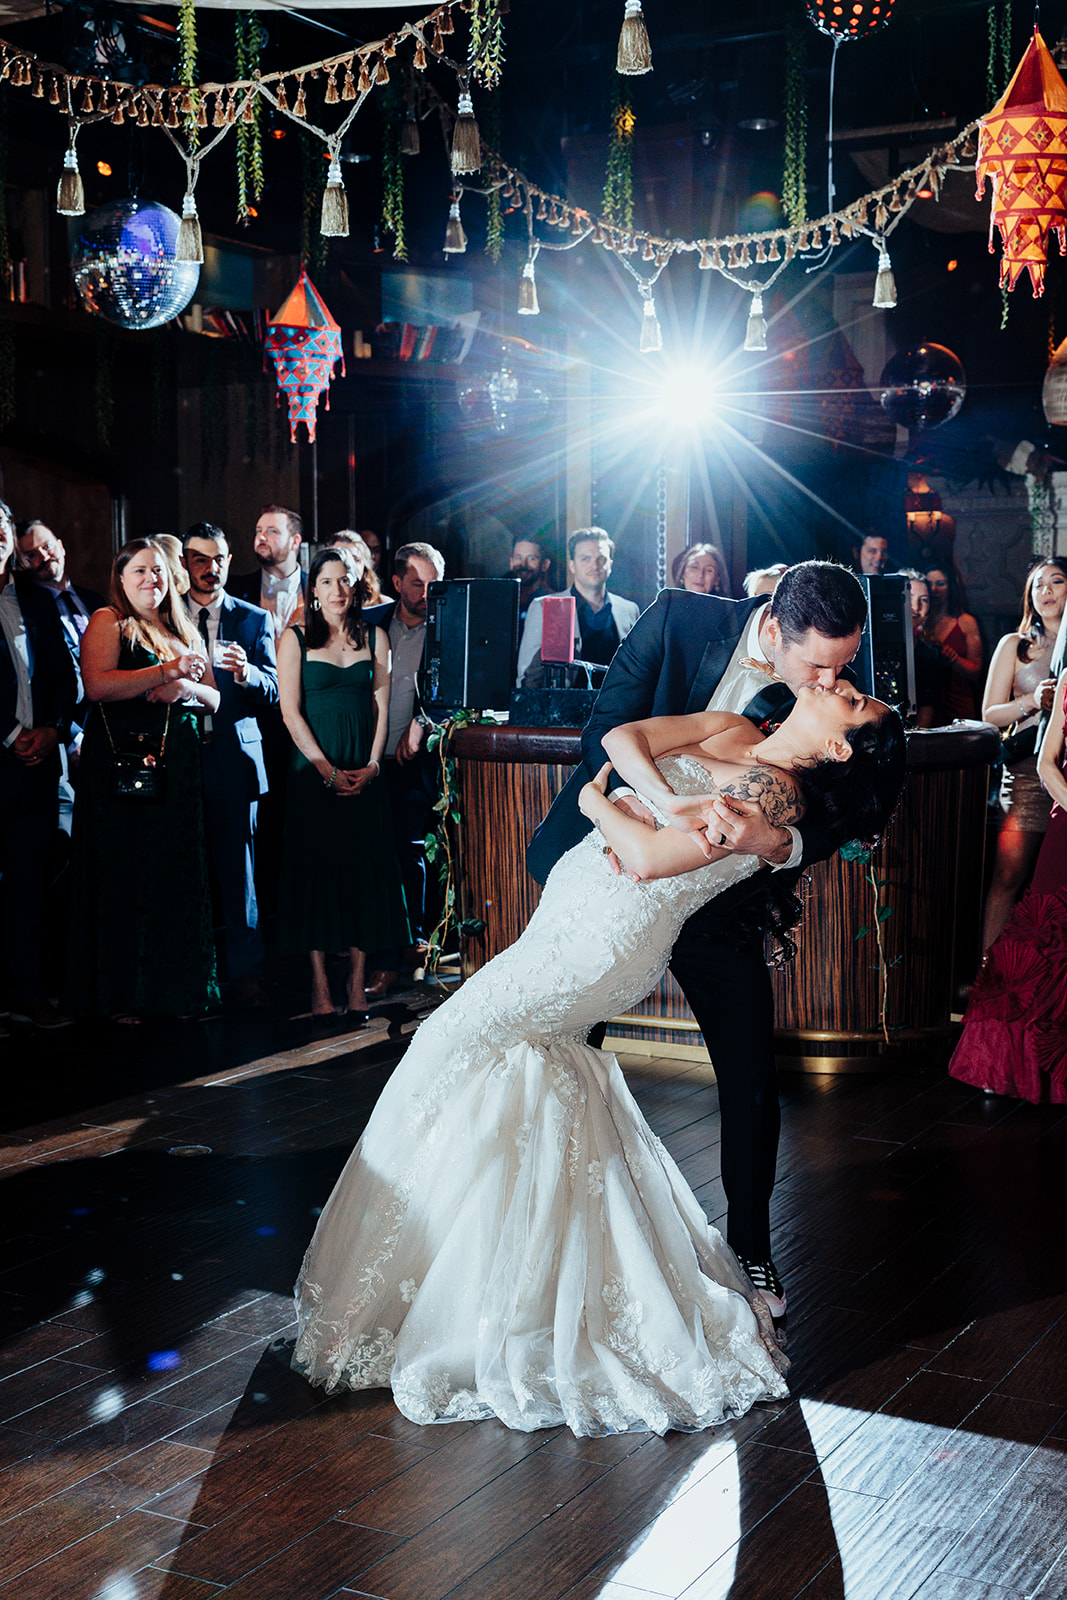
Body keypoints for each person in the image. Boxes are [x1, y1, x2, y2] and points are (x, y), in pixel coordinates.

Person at [292, 688, 903, 1435]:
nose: (837, 683)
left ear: (837, 748)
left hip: (604, 942)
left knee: (446, 1046)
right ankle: (489, 1292)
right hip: (573, 915)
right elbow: (621, 738)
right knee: (519, 1082)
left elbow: (645, 859)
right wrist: (655, 797)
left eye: (852, 700)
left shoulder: (773, 792)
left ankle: (456, 1300)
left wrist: (596, 805)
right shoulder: (734, 726)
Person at [525, 560, 875, 1314]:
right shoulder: (678, 620)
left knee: (749, 1073)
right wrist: (638, 814)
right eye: (818, 664)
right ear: (774, 628)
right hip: (619, 869)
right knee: (564, 1048)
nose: (829, 679)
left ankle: (751, 1251)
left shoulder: (832, 668)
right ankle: (555, 1228)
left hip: (720, 897)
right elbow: (603, 732)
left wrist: (777, 846)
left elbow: (843, 806)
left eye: (843, 666)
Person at [66, 538, 219, 1021]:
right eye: (140, 572)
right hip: (125, 776)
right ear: (121, 579)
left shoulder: (184, 627)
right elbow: (97, 686)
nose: (151, 579)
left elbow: (214, 700)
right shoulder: (108, 620)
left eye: (158, 571)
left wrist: (186, 685)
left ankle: (176, 994)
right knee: (128, 878)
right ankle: (124, 997)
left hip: (181, 778)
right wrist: (163, 673)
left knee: (176, 879)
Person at [277, 546, 409, 1020]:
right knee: (315, 873)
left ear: (356, 586)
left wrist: (373, 764)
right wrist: (323, 769)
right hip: (313, 772)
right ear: (313, 590)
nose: (337, 589)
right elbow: (289, 711)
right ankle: (319, 986)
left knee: (361, 874)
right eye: (327, 581)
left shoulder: (375, 637)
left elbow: (382, 704)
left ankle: (356, 984)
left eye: (345, 580)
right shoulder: (294, 638)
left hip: (363, 769)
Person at [949, 665, 1067, 1103]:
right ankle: (1007, 1063)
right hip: (1065, 818)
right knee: (1043, 935)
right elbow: (1047, 761)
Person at [182, 523, 279, 1006]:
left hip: (235, 760)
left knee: (239, 872)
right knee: (182, 868)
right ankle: (189, 976)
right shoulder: (167, 615)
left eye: (218, 557)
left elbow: (275, 688)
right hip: (178, 757)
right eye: (200, 558)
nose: (211, 567)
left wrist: (249, 675)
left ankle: (246, 973)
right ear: (184, 563)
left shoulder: (252, 618)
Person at [0, 500, 78, 1031]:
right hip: (1, 755)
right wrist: (10, 734)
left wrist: (51, 729)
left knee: (29, 885)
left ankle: (27, 993)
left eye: (0, 527)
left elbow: (64, 679)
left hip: (37, 764)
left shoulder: (35, 596)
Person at [365, 541, 445, 997]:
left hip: (415, 763)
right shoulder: (371, 622)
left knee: (409, 852)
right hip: (365, 758)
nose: (426, 592)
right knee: (374, 856)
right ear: (396, 583)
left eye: (434, 583)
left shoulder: (448, 629)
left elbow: (457, 691)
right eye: (417, 583)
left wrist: (421, 722)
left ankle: (406, 949)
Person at [978, 559, 1065, 952]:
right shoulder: (1016, 645)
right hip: (1029, 773)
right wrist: (1033, 700)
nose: (1046, 591)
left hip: (1066, 769)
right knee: (1009, 875)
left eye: (1056, 582)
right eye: (1037, 585)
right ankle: (988, 977)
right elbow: (990, 714)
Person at [517, 528, 640, 688]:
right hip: (565, 708)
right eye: (585, 559)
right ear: (572, 566)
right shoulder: (544, 607)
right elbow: (526, 676)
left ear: (610, 565)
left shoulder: (629, 610)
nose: (594, 566)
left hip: (617, 708)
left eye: (601, 559)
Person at [231, 506, 306, 640]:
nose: (261, 537)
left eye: (272, 531)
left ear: (295, 542)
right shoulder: (235, 591)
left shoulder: (316, 588)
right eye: (258, 531)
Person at [925, 564, 983, 721]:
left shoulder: (965, 621)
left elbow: (976, 672)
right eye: (929, 583)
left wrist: (953, 658)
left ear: (951, 587)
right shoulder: (918, 620)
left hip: (958, 705)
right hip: (925, 707)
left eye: (940, 584)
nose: (934, 589)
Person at [898, 569, 939, 728]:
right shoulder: (874, 648)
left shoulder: (930, 654)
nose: (916, 607)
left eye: (924, 600)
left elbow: (927, 709)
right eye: (909, 598)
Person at [508, 536, 554, 626]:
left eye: (531, 558)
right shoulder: (501, 601)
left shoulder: (553, 603)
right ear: (511, 562)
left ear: (545, 565)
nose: (523, 564)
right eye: (518, 558)